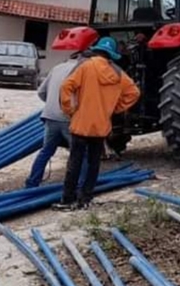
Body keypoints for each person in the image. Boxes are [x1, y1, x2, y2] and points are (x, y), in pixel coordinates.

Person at [57, 36, 140, 210]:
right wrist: (116, 108)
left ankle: (67, 200)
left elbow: (66, 86)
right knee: (94, 164)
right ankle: (86, 198)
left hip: (81, 124)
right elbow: (134, 92)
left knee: (74, 163)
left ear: (96, 50)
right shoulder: (117, 72)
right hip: (101, 127)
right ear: (111, 54)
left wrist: (69, 109)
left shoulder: (86, 66)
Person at [24, 53, 87, 189]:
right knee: (79, 153)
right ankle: (80, 186)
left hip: (49, 116)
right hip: (68, 118)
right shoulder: (82, 71)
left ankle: (32, 183)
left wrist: (52, 103)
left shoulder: (57, 68)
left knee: (46, 151)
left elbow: (41, 92)